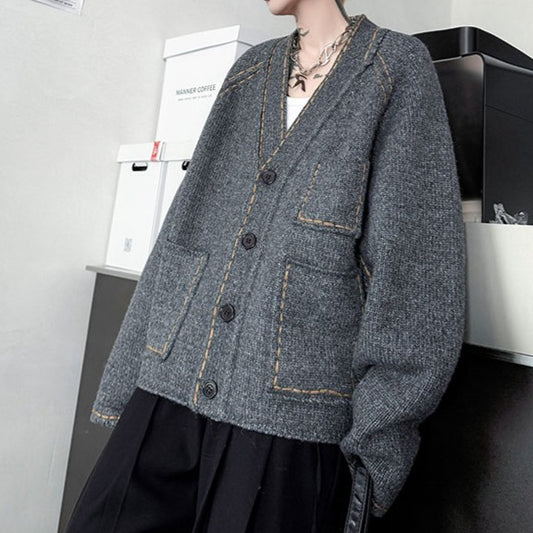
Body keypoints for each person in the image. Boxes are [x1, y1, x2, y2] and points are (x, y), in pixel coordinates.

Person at [66, 1, 466, 532]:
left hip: (288, 418)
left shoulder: (395, 68)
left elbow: (415, 274)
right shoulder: (250, 70)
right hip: (170, 388)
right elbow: (184, 227)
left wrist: (376, 447)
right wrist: (128, 373)